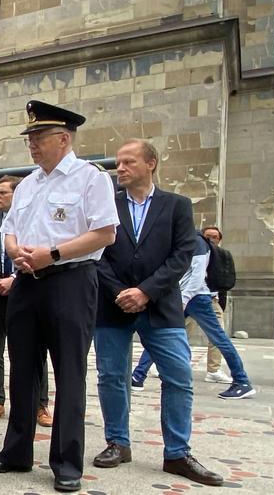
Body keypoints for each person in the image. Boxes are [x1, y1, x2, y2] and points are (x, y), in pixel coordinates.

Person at [0, 101, 117, 494]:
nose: (32, 145)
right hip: (27, 282)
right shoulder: (27, 184)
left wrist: (52, 254)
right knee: (22, 368)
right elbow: (9, 230)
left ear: (63, 138)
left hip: (70, 282)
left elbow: (105, 233)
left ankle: (66, 462)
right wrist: (14, 250)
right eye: (31, 138)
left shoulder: (91, 179)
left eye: (39, 138)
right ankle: (16, 452)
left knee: (69, 372)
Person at [93, 139, 223, 486]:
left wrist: (146, 292)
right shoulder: (107, 204)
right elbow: (97, 254)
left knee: (179, 377)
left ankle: (177, 453)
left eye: (128, 162)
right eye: (118, 162)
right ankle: (117, 443)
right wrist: (120, 292)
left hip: (161, 307)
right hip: (112, 305)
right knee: (111, 376)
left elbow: (182, 255)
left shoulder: (176, 205)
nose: (119, 168)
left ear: (150, 163)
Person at [131, 232, 257, 400]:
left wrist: (183, 299)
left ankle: (242, 381)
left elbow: (197, 274)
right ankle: (138, 377)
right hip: (189, 297)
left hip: (196, 298)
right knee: (161, 334)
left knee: (218, 338)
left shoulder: (196, 241)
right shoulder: (189, 239)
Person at [0, 175, 53, 426]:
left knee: (34, 350)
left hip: (26, 292)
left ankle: (40, 405)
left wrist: (15, 280)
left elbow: (40, 253)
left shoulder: (33, 219)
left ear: (17, 195)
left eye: (2, 193)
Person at [199, 225, 235, 384]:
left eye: (215, 237)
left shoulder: (222, 256)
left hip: (211, 301)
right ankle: (150, 367)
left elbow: (225, 281)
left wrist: (221, 304)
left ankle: (213, 370)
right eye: (208, 236)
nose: (212, 239)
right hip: (191, 298)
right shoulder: (196, 252)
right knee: (174, 332)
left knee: (218, 336)